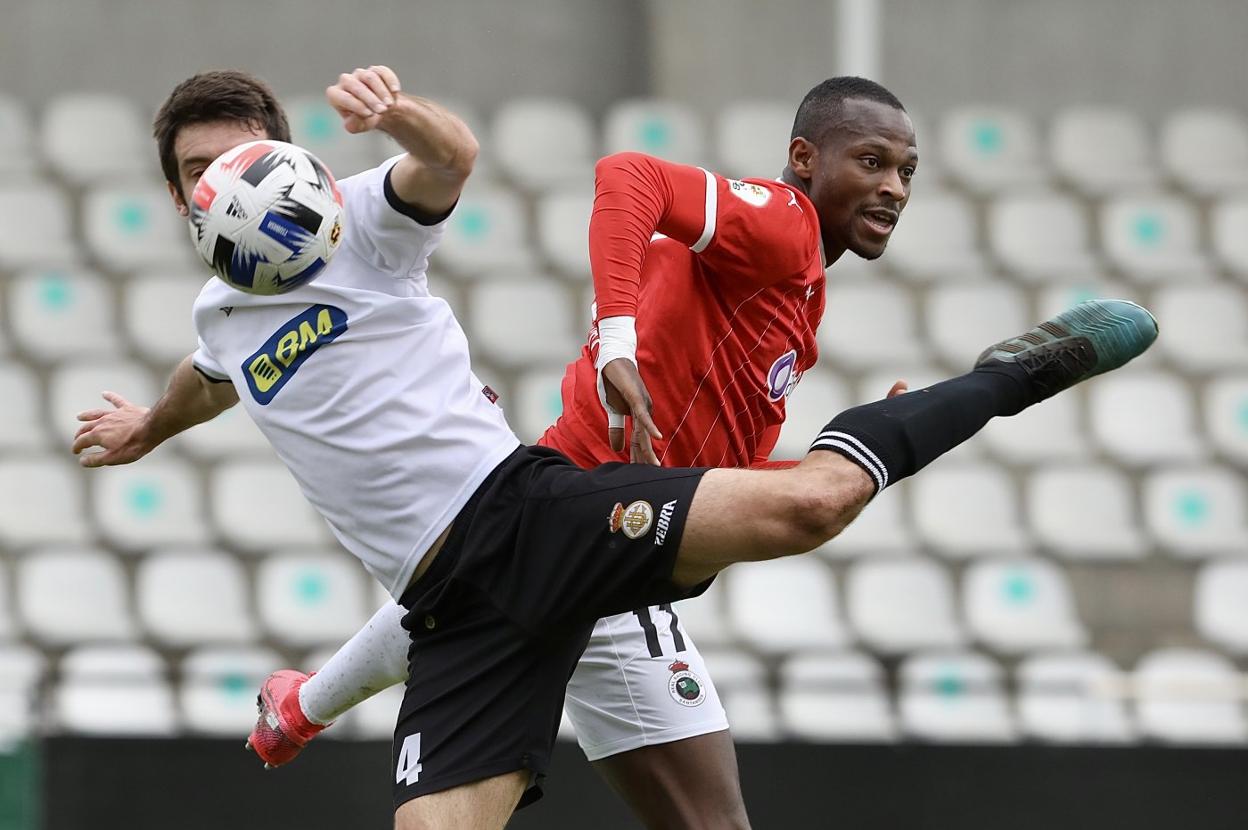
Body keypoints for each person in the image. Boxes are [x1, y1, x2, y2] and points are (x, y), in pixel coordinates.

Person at [72, 64, 1158, 830]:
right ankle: (303, 700)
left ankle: (1006, 377)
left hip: (540, 514)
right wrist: (146, 426)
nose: (234, 190)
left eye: (247, 159)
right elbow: (204, 378)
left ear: (293, 158)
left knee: (811, 513)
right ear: (177, 198)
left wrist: (396, 110)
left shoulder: (364, 220)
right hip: (459, 608)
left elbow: (452, 157)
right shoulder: (223, 316)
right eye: (203, 174)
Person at [246, 75, 922, 830]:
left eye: (906, 172)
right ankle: (304, 705)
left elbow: (709, 474)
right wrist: (619, 347)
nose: (893, 187)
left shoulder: (798, 301)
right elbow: (628, 175)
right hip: (596, 528)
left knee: (475, 592)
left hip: (603, 542)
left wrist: (835, 471)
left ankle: (303, 706)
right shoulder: (783, 224)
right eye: (871, 162)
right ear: (803, 157)